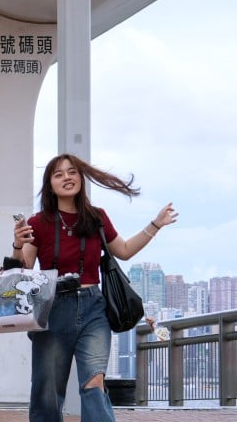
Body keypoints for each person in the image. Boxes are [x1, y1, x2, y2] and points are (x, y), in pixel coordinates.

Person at [10, 153, 176, 422]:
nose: (67, 177)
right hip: (52, 308)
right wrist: (18, 245)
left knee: (94, 381)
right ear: (50, 184)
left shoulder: (96, 217)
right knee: (47, 390)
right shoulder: (38, 223)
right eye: (59, 174)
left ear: (81, 179)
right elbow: (23, 269)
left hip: (93, 308)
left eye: (72, 172)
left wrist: (156, 224)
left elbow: (124, 250)